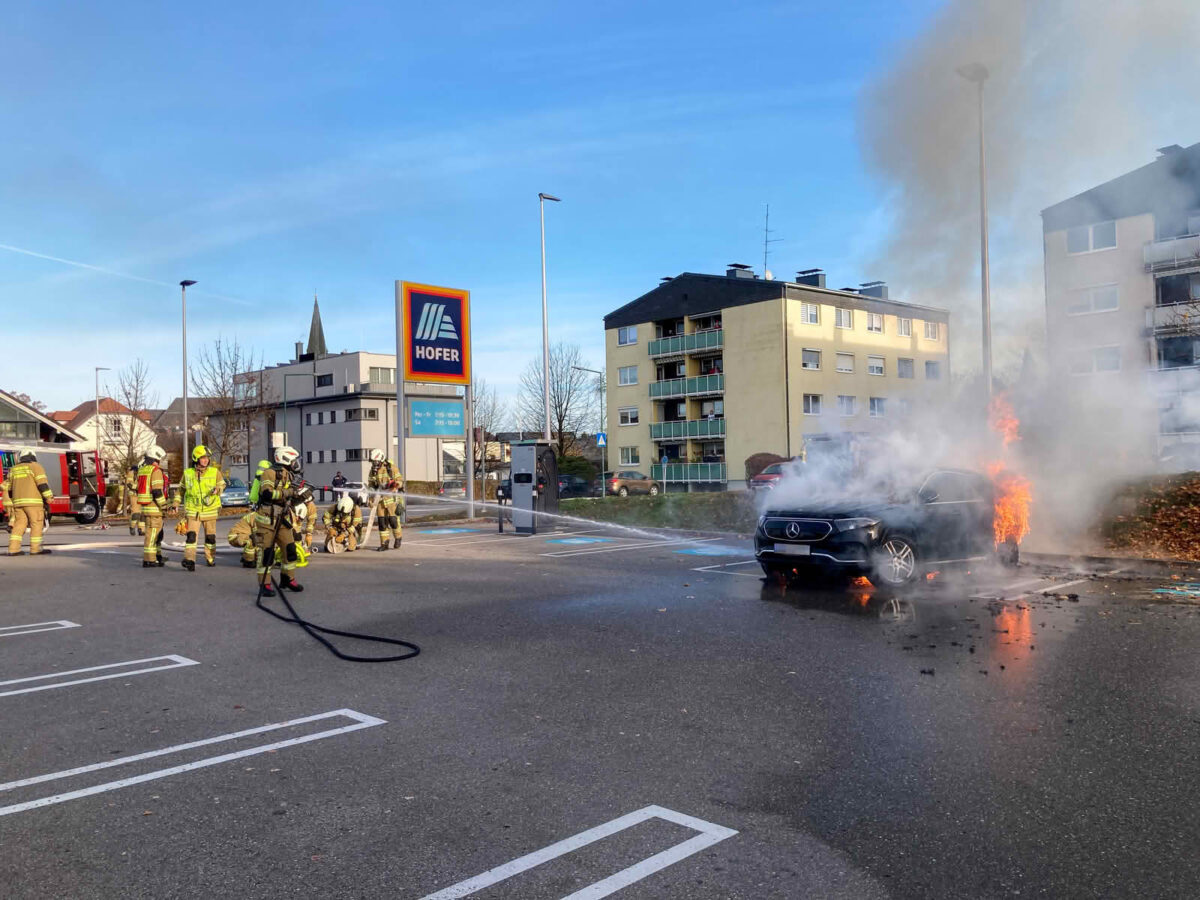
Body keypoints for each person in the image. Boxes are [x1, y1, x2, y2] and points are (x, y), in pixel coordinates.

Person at [254, 446, 303, 596]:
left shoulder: (289, 475)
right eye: (294, 460)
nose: (296, 464)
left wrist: (300, 495)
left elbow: (289, 497)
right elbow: (267, 493)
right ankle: (265, 584)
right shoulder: (269, 473)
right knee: (267, 554)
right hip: (267, 519)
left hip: (282, 517)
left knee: (290, 549)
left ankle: (288, 579)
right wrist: (289, 492)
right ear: (285, 459)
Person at [181, 444, 225, 571]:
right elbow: (181, 490)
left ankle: (210, 558)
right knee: (191, 537)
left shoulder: (215, 472)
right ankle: (189, 560)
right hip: (193, 511)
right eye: (203, 458)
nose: (206, 460)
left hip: (210, 510)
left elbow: (222, 484)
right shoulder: (188, 473)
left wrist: (218, 489)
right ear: (196, 458)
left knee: (210, 537)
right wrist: (175, 503)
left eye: (207, 458)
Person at [2, 449, 55, 556]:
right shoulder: (36, 467)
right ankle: (35, 549)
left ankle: (13, 549)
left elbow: (8, 487)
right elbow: (42, 485)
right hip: (33, 503)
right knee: (36, 524)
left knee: (19, 525)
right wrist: (49, 497)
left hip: (18, 503)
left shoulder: (14, 469)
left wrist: (13, 500)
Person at [136, 445, 171, 567]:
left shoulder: (143, 470)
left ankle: (157, 556)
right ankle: (149, 559)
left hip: (146, 508)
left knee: (157, 534)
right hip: (155, 509)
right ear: (156, 458)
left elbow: (137, 488)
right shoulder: (155, 471)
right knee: (152, 535)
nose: (161, 462)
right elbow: (157, 492)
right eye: (160, 459)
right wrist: (165, 506)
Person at [367, 449, 403, 551]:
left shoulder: (391, 468)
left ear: (381, 459)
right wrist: (371, 498)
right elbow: (370, 485)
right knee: (382, 523)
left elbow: (400, 482)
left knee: (393, 521)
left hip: (391, 499)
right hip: (380, 500)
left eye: (376, 461)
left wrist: (392, 484)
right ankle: (384, 543)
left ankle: (398, 537)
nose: (374, 464)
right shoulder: (372, 471)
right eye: (373, 462)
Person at [123, 465, 144, 536]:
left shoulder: (143, 472)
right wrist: (138, 488)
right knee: (136, 512)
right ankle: (132, 527)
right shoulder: (131, 472)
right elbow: (129, 484)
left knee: (142, 513)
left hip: (142, 495)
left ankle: (141, 529)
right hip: (134, 495)